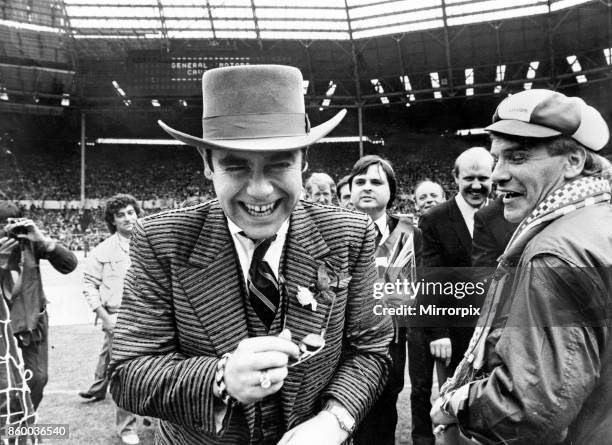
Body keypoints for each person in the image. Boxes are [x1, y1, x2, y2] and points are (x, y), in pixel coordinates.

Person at [108, 64, 393, 445]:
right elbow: (129, 372)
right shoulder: (160, 240)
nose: (259, 190)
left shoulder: (350, 234)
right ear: (208, 164)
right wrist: (220, 379)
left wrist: (334, 420)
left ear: (303, 160)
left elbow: (370, 350)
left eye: (279, 163)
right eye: (235, 165)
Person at [431, 89, 612, 445]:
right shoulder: (597, 221)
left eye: (517, 157)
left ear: (574, 161)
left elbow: (530, 408)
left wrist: (452, 405)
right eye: (497, 159)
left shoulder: (554, 253)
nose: (496, 176)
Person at [415, 147, 493, 445]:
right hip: (454, 332)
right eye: (469, 178)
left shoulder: (503, 212)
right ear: (455, 178)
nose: (476, 185)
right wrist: (439, 331)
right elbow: (431, 277)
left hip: (495, 332)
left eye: (483, 178)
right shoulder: (435, 218)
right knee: (454, 406)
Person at [348, 155, 422, 445]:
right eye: (360, 181)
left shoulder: (408, 234)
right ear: (351, 190)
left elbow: (409, 294)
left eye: (376, 182)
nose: (367, 187)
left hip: (389, 343)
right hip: (339, 347)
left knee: (379, 424)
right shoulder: (330, 229)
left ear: (391, 191)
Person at [0, 201, 77, 411]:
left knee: (38, 378)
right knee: (5, 385)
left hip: (32, 322)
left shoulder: (28, 242)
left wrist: (44, 241)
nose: (7, 234)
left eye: (10, 227)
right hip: (2, 325)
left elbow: (69, 265)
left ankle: (22, 424)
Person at [78, 194, 142, 445]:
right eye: (121, 215)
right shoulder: (103, 250)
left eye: (131, 212)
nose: (128, 218)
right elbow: (88, 285)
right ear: (112, 221)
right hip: (118, 317)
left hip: (152, 315)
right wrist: (105, 317)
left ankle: (96, 389)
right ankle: (127, 428)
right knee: (123, 372)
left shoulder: (150, 242)